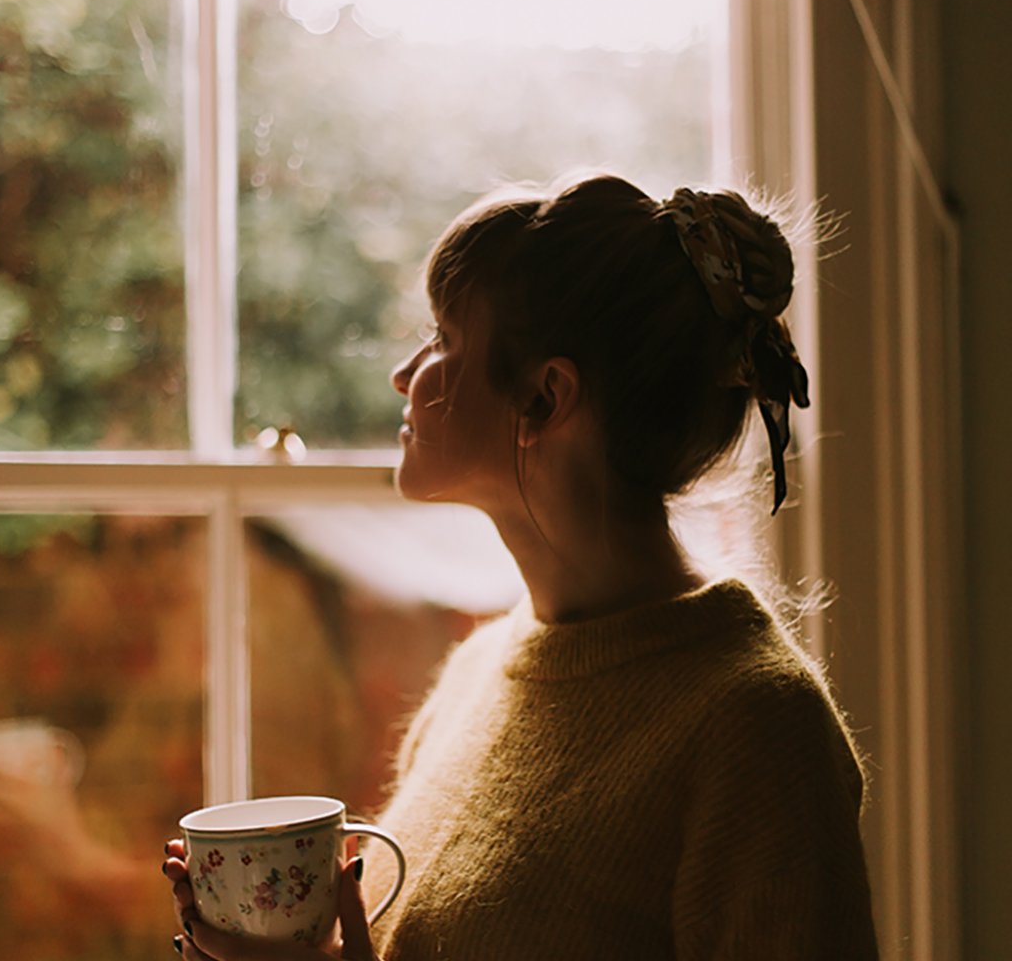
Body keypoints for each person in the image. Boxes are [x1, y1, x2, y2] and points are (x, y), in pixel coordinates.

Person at [163, 175, 879, 959]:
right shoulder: (477, 673)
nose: (405, 376)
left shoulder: (756, 728)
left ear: (545, 398)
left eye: (442, 340)